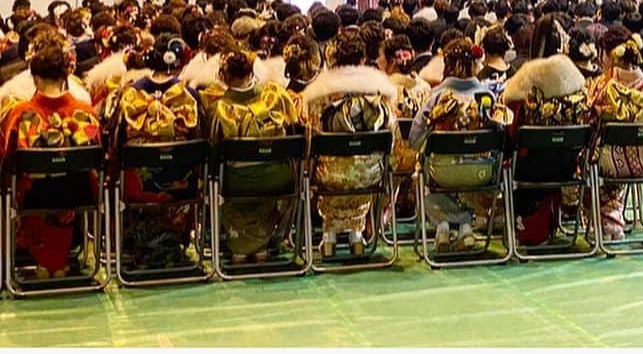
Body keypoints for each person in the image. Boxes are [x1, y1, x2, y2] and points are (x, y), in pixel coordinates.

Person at [1, 35, 102, 280]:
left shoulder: (19, 115)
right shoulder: (85, 113)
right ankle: (59, 261)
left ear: (34, 78)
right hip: (80, 197)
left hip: (31, 199)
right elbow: (97, 161)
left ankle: (45, 261)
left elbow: (6, 161)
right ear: (66, 76)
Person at [301, 27, 399, 258]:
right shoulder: (380, 90)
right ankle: (356, 234)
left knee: (328, 170)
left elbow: (310, 138)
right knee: (360, 169)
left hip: (328, 173)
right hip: (370, 172)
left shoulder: (318, 94)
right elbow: (392, 135)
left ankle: (329, 237)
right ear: (363, 59)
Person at [409, 38, 511, 252]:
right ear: (476, 64)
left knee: (423, 168)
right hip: (482, 172)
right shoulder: (488, 97)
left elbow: (414, 139)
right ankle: (465, 226)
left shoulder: (435, 98)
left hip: (442, 172)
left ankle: (444, 224)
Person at [113, 34, 202, 268]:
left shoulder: (130, 94)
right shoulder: (189, 96)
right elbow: (198, 141)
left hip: (138, 186)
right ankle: (171, 244)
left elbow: (116, 141)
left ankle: (142, 244)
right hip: (181, 186)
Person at [205, 48, 301, 264]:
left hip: (235, 182)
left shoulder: (217, 109)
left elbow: (210, 153)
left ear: (223, 76)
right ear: (252, 73)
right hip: (277, 179)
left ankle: (239, 246)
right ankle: (263, 243)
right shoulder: (276, 99)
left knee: (228, 179)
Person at [503, 15, 590, 245]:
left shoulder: (523, 81)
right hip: (568, 166)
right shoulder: (577, 82)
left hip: (529, 168)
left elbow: (510, 131)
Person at [585, 31, 643, 240]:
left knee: (585, 158)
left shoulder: (604, 84)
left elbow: (589, 117)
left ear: (609, 55)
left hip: (609, 162)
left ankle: (606, 219)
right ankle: (612, 217)